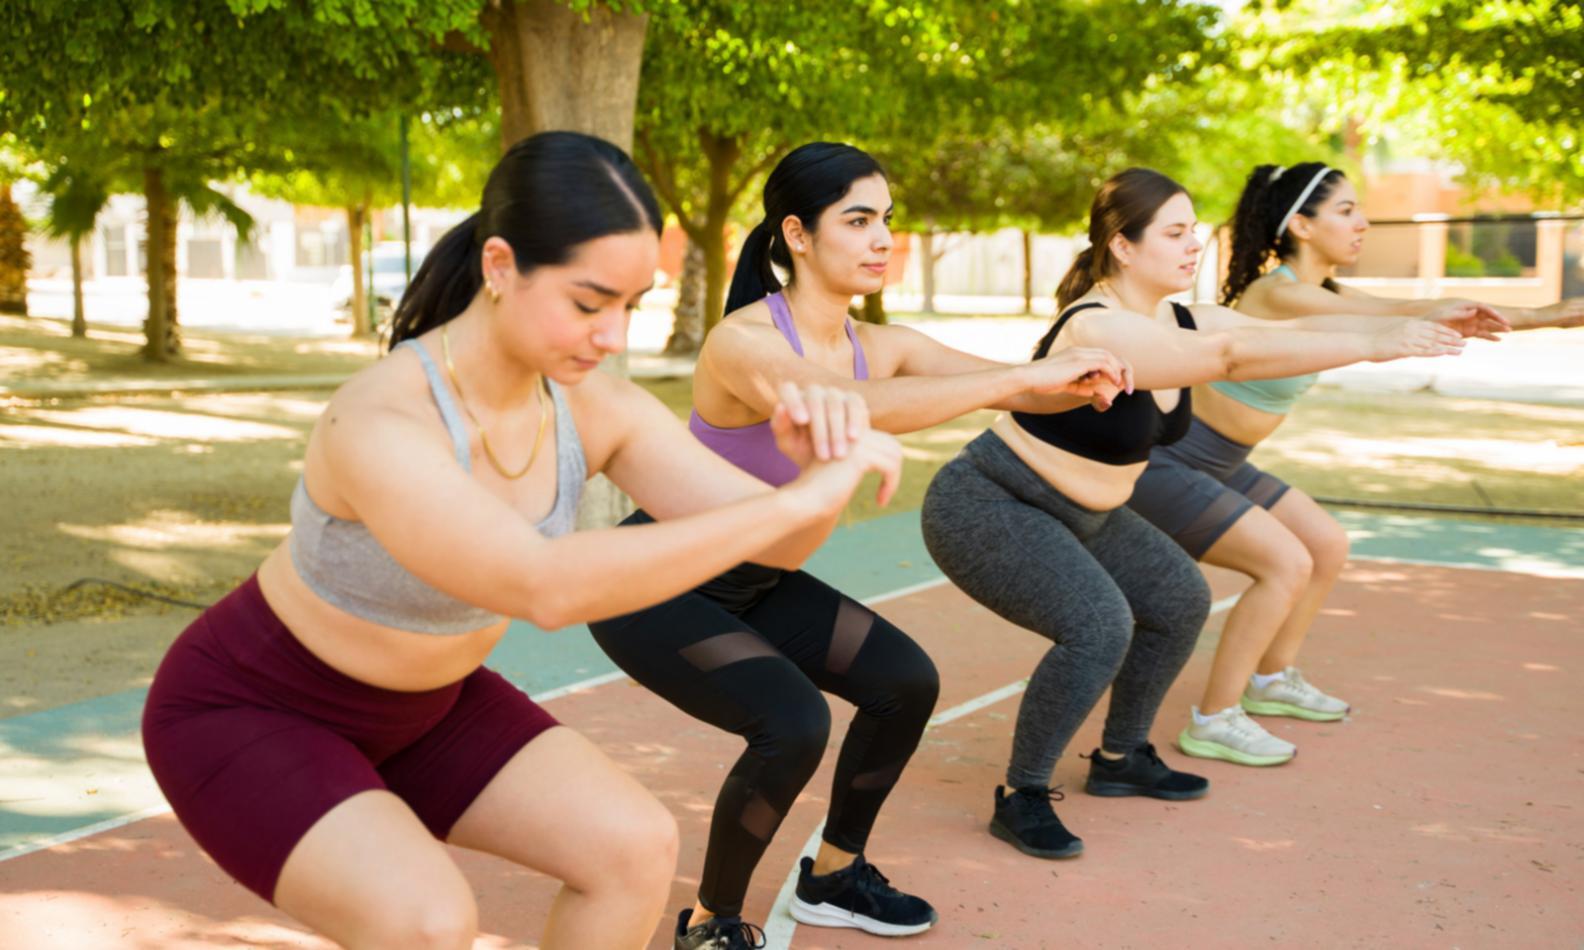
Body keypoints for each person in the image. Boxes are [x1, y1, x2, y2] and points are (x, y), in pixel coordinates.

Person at [141, 131, 902, 950]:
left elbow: (778, 548)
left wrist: (814, 478)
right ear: (500, 267)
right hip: (257, 706)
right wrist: (803, 498)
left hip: (432, 707)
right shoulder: (384, 417)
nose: (612, 336)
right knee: (427, 922)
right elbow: (544, 585)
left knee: (634, 850)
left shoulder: (592, 405)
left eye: (629, 305)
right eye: (587, 302)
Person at [588, 141, 1132, 949]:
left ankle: (835, 873)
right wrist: (1015, 382)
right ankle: (710, 924)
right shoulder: (745, 341)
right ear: (798, 235)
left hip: (756, 580)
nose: (882, 238)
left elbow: (1014, 382)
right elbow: (839, 405)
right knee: (793, 724)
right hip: (660, 583)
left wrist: (1074, 372)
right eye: (858, 219)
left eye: (886, 220)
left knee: (904, 682)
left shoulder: (882, 343)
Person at [920, 167, 1487, 860]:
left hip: (1088, 514)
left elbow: (1274, 333)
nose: (1194, 246)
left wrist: (1413, 321)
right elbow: (1230, 355)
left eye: (1196, 231)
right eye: (1175, 233)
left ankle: (1121, 757)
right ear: (1124, 247)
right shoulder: (1098, 325)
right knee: (1099, 627)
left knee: (1180, 599)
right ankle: (1023, 794)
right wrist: (1383, 343)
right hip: (992, 504)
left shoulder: (1180, 317)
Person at [1127, 161, 1579, 766]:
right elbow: (1399, 312)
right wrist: (1424, 318)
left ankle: (1272, 679)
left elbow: (1426, 308)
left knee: (1327, 544)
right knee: (1285, 564)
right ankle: (1215, 718)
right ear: (1302, 227)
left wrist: (1550, 314)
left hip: (1225, 463)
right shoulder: (1277, 293)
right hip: (1170, 464)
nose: (1362, 222)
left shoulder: (1330, 293)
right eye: (1345, 211)